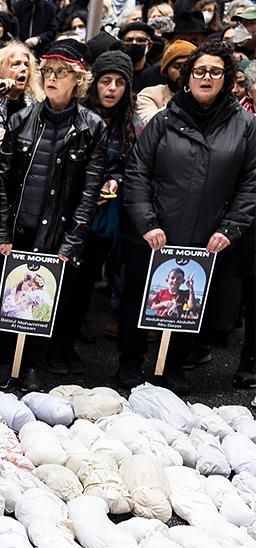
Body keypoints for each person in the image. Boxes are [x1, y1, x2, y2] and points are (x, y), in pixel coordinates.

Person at [120, 40, 256, 396]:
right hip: (153, 234)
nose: (205, 77)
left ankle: (175, 366)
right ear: (187, 77)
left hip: (207, 235)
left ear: (226, 78)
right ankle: (130, 361)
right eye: (199, 71)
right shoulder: (165, 119)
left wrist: (231, 228)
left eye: (214, 71)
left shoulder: (245, 125)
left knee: (189, 303)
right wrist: (147, 222)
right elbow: (136, 173)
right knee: (139, 298)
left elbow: (251, 182)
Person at [0, 39, 105, 390]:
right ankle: (3, 363)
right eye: (49, 71)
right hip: (19, 227)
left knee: (43, 300)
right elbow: (2, 182)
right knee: (7, 296)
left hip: (58, 232)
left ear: (78, 80)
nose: (52, 78)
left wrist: (72, 243)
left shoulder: (91, 127)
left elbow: (89, 194)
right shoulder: (21, 118)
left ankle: (32, 365)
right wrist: (1, 233)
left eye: (62, 72)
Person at [52, 50, 138, 376]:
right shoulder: (78, 117)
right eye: (106, 81)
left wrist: (116, 181)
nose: (112, 88)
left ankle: (68, 344)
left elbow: (132, 167)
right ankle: (53, 347)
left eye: (119, 83)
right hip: (71, 215)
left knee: (85, 286)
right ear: (95, 84)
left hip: (103, 219)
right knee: (64, 284)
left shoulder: (131, 125)